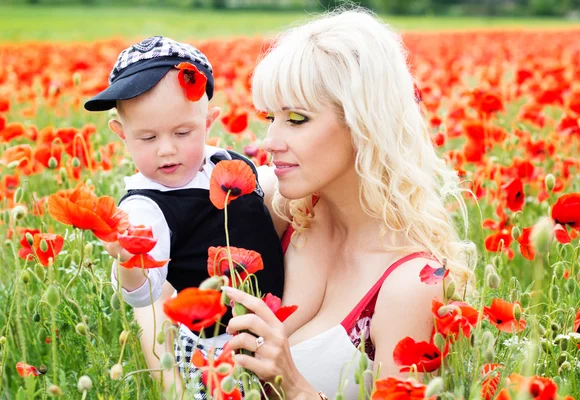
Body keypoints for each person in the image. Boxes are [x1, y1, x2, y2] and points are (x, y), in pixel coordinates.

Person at [222, 9, 476, 398]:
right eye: (271, 117)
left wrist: (291, 385)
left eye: (296, 119)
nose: (269, 140)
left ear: (363, 123)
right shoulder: (284, 208)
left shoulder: (410, 284)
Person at [83, 36, 285, 396]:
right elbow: (144, 295)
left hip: (273, 326)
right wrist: (129, 261)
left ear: (208, 122)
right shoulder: (144, 206)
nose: (166, 149)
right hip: (213, 349)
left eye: (182, 132)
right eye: (147, 138)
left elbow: (269, 201)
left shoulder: (226, 161)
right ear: (121, 135)